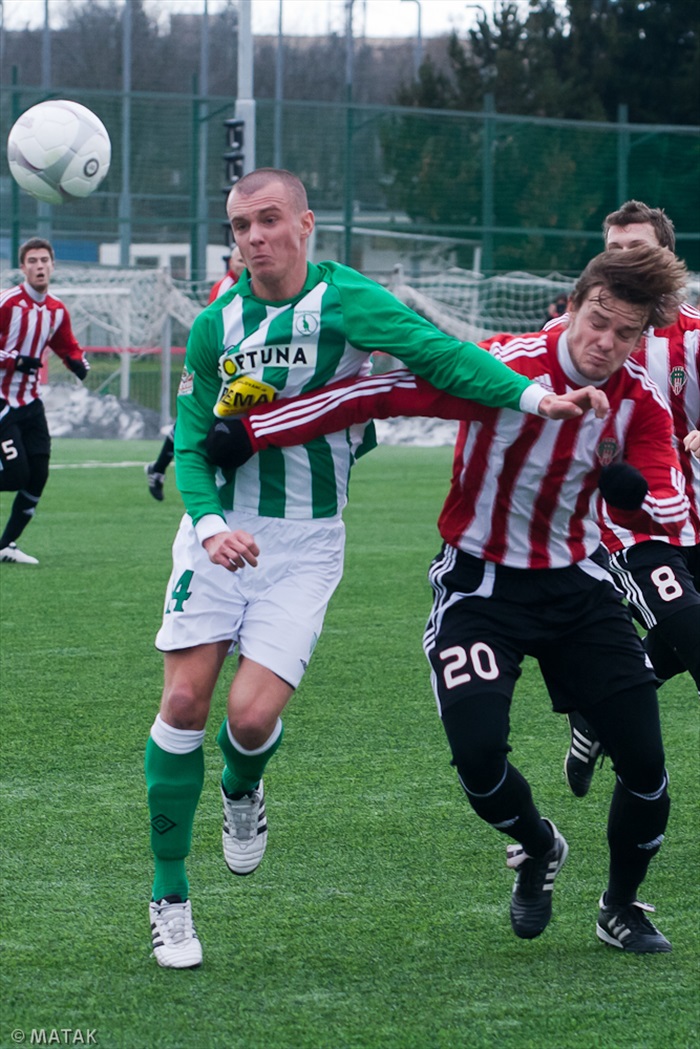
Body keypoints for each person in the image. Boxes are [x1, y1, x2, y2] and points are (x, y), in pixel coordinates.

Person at [145, 166, 600, 969]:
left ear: (305, 223)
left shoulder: (347, 300)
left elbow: (441, 356)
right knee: (184, 699)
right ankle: (171, 898)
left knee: (248, 721)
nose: (253, 238)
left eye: (268, 220)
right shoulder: (218, 324)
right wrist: (210, 523)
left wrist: (534, 400)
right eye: (240, 225)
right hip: (217, 533)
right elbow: (188, 438)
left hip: (307, 541)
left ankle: (243, 787)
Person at [206, 244, 690, 954]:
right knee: (478, 756)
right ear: (574, 303)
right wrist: (251, 430)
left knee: (646, 764)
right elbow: (378, 392)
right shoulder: (504, 364)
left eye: (625, 333)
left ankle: (619, 905)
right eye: (597, 320)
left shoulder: (639, 406)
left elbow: (671, 509)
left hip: (579, 586)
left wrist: (634, 494)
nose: (606, 343)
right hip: (480, 585)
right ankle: (536, 843)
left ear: (642, 337)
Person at [560, 201, 700, 797]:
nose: (622, 264)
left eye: (636, 251)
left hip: (693, 514)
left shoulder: (692, 334)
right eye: (612, 252)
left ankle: (595, 711)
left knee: (671, 641)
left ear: (665, 258)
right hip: (631, 527)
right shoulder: (581, 332)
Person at [0, 238, 89, 564]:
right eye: (33, 261)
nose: (40, 266)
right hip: (1, 401)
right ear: (22, 268)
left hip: (31, 402)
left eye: (45, 260)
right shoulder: (7, 303)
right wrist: (13, 361)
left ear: (53, 265)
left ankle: (6, 545)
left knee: (38, 474)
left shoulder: (55, 310)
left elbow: (67, 345)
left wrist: (78, 363)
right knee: (14, 475)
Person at [144, 245, 246, 501]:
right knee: (199, 420)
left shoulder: (248, 286)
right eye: (239, 259)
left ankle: (157, 469)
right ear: (230, 263)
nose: (244, 263)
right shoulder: (227, 287)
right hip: (217, 367)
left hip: (227, 365)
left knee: (193, 421)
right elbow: (220, 329)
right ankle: (172, 472)